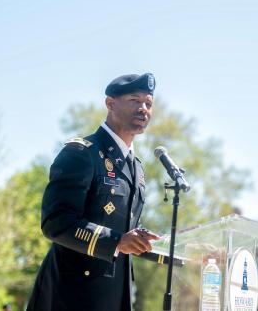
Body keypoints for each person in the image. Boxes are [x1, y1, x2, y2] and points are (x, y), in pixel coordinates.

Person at [27, 73, 160, 311]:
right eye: (134, 100)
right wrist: (117, 241)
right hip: (71, 294)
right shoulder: (82, 152)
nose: (143, 108)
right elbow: (56, 223)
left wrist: (184, 251)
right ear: (110, 104)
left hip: (116, 294)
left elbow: (128, 234)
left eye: (148, 103)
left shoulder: (136, 167)